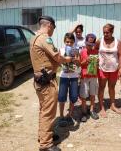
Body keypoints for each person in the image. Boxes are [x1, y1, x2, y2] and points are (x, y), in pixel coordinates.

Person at [30, 16, 72, 151]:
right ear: (49, 25)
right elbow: (57, 57)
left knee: (44, 110)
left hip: (41, 80)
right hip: (47, 82)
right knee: (48, 112)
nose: (53, 31)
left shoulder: (35, 37)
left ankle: (44, 135)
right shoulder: (44, 38)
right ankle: (46, 145)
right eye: (53, 28)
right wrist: (67, 59)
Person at [96, 23, 121, 117]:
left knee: (112, 87)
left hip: (114, 69)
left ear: (112, 32)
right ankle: (101, 107)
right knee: (101, 87)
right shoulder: (99, 41)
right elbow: (94, 51)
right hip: (102, 69)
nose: (105, 34)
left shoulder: (117, 42)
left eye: (107, 32)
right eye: (104, 32)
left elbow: (120, 55)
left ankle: (112, 105)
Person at [58, 33, 80, 126]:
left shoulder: (76, 51)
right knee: (62, 96)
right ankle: (61, 116)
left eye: (71, 42)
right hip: (64, 76)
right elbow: (58, 62)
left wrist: (76, 60)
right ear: (64, 41)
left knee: (74, 96)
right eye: (67, 42)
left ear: (74, 42)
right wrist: (64, 60)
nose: (69, 43)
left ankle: (69, 115)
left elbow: (79, 64)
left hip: (74, 76)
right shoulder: (61, 50)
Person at [80, 33, 99, 122]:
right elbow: (79, 64)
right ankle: (83, 111)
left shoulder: (96, 52)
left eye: (91, 45)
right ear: (85, 42)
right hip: (84, 76)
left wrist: (97, 62)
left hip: (94, 76)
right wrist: (85, 61)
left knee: (92, 94)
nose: (89, 46)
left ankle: (91, 110)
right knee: (83, 95)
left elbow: (98, 65)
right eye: (88, 44)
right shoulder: (82, 51)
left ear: (94, 44)